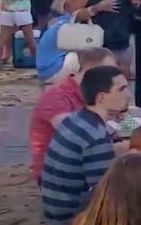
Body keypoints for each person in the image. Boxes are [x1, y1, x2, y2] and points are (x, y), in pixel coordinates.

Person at [39, 65, 131, 223]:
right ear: (101, 98)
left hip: (56, 211)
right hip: (73, 218)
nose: (128, 95)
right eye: (122, 90)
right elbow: (106, 196)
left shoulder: (76, 119)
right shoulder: (96, 136)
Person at [30, 47, 117, 182]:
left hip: (81, 160)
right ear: (90, 70)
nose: (114, 77)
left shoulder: (95, 93)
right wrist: (112, 128)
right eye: (109, 72)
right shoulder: (56, 96)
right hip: (58, 172)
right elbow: (75, 131)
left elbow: (123, 121)